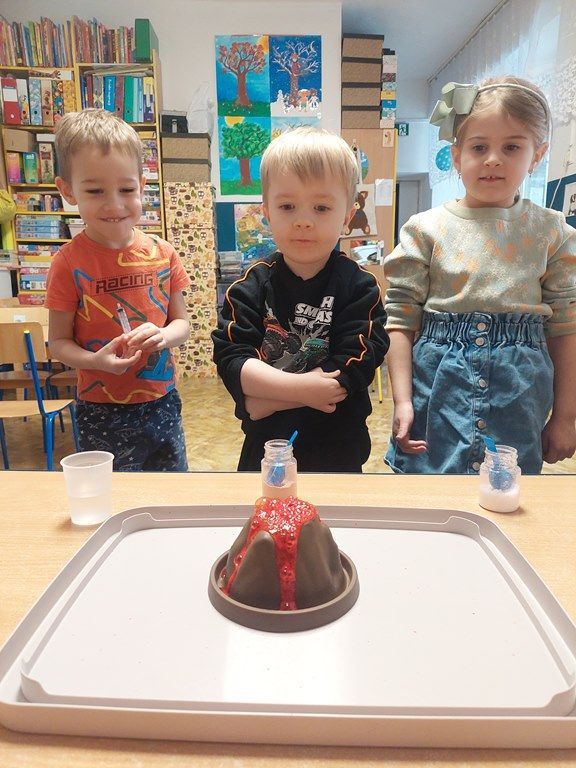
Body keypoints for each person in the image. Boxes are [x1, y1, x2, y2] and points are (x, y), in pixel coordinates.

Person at [384, 76, 576, 475]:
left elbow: (565, 326)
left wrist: (565, 416)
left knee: (506, 493)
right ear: (456, 156)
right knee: (431, 491)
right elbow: (400, 319)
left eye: (512, 147)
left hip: (519, 395)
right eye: (478, 147)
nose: (492, 159)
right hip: (437, 388)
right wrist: (402, 400)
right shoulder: (425, 229)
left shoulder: (552, 231)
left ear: (537, 155)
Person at [212, 126, 389, 472]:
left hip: (338, 449)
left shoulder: (360, 288)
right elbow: (232, 360)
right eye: (288, 206)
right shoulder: (249, 287)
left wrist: (265, 401)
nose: (303, 221)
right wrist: (304, 389)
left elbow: (354, 366)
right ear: (267, 212)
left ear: (347, 217)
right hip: (266, 450)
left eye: (321, 207)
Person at [46, 109, 191, 471]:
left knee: (171, 489)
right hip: (101, 410)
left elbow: (182, 325)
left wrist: (162, 335)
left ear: (142, 185)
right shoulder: (67, 263)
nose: (114, 204)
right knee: (116, 494)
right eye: (95, 191)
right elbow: (58, 343)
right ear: (67, 191)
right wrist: (95, 361)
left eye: (126, 189)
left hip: (162, 401)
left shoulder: (163, 253)